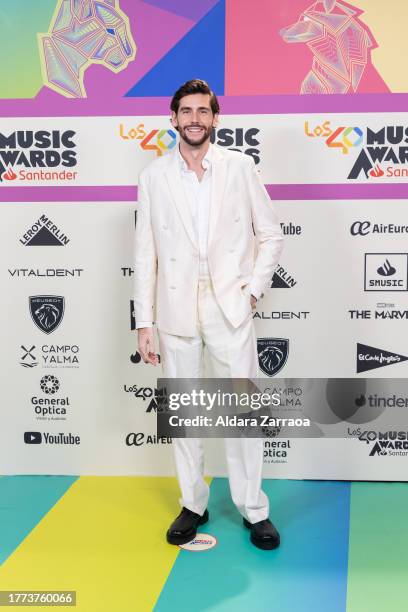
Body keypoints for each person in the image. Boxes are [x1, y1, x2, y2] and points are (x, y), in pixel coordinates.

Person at [133, 79, 284, 550]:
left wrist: (253, 291)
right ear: (173, 119)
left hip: (230, 307)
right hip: (176, 308)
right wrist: (144, 321)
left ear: (215, 119)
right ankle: (192, 503)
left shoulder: (240, 168)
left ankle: (253, 509)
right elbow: (144, 254)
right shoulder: (153, 176)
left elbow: (272, 235)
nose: (194, 119)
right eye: (186, 111)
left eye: (203, 111)